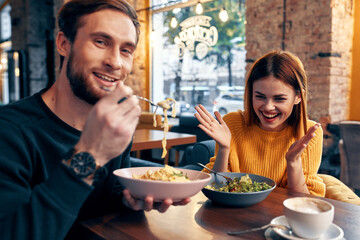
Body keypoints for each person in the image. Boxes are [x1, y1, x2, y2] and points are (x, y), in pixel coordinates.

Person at [0, 1, 189, 239]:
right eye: (101, 42)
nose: (115, 62)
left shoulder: (115, 124)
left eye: (126, 50)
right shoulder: (9, 131)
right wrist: (90, 153)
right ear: (64, 44)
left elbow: (111, 189)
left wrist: (130, 198)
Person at [195, 50, 325, 196]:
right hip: (234, 213)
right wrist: (225, 148)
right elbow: (218, 186)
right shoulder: (232, 123)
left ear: (298, 97)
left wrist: (293, 162)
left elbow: (305, 202)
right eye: (260, 96)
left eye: (279, 99)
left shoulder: (309, 133)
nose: (268, 107)